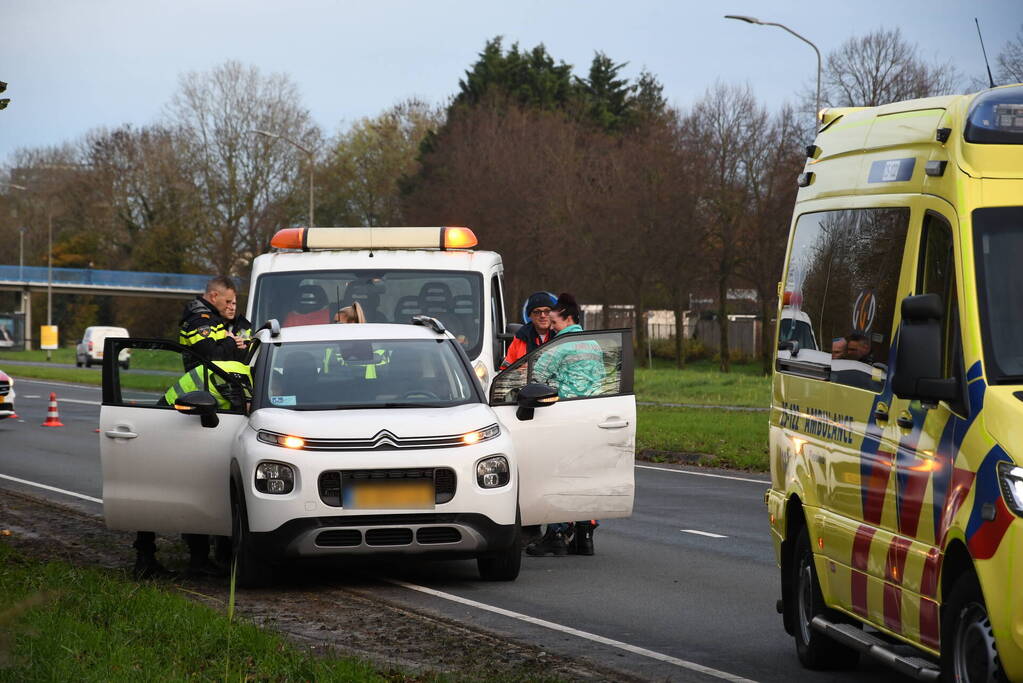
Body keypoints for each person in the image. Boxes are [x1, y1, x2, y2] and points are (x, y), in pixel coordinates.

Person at [133, 276, 246, 580]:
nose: (232, 307)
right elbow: (213, 356)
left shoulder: (224, 323)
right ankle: (145, 558)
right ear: (213, 295)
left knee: (194, 484)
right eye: (228, 300)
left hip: (202, 408)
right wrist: (233, 345)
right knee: (159, 485)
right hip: (180, 410)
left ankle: (198, 558)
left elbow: (233, 349)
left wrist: (233, 344)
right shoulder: (200, 318)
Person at [525, 293, 603, 557]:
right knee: (585, 477)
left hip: (563, 418)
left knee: (559, 476)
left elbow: (535, 376)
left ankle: (556, 534)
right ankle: (584, 536)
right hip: (591, 419)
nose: (552, 325)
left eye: (555, 320)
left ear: (567, 318)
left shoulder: (560, 344)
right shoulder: (593, 344)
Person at [500, 291, 558, 370]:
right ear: (530, 316)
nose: (543, 315)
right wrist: (518, 371)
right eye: (537, 312)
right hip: (524, 382)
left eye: (547, 311)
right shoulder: (520, 338)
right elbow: (505, 371)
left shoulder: (561, 336)